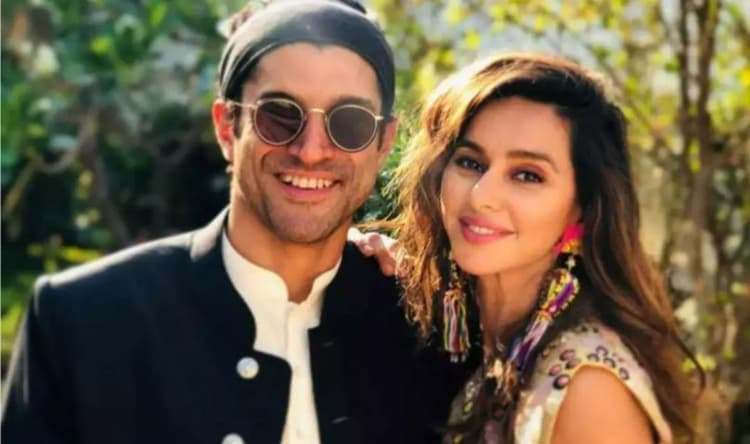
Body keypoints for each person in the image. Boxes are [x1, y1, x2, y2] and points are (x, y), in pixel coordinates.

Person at [1, 2, 471, 443]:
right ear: (227, 127)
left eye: (349, 122)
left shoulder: (424, 328)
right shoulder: (85, 323)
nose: (311, 150)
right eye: (279, 115)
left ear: (383, 142)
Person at [356, 53, 703, 443]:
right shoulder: (493, 352)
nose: (482, 196)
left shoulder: (587, 386)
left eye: (527, 175)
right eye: (470, 162)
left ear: (583, 208)